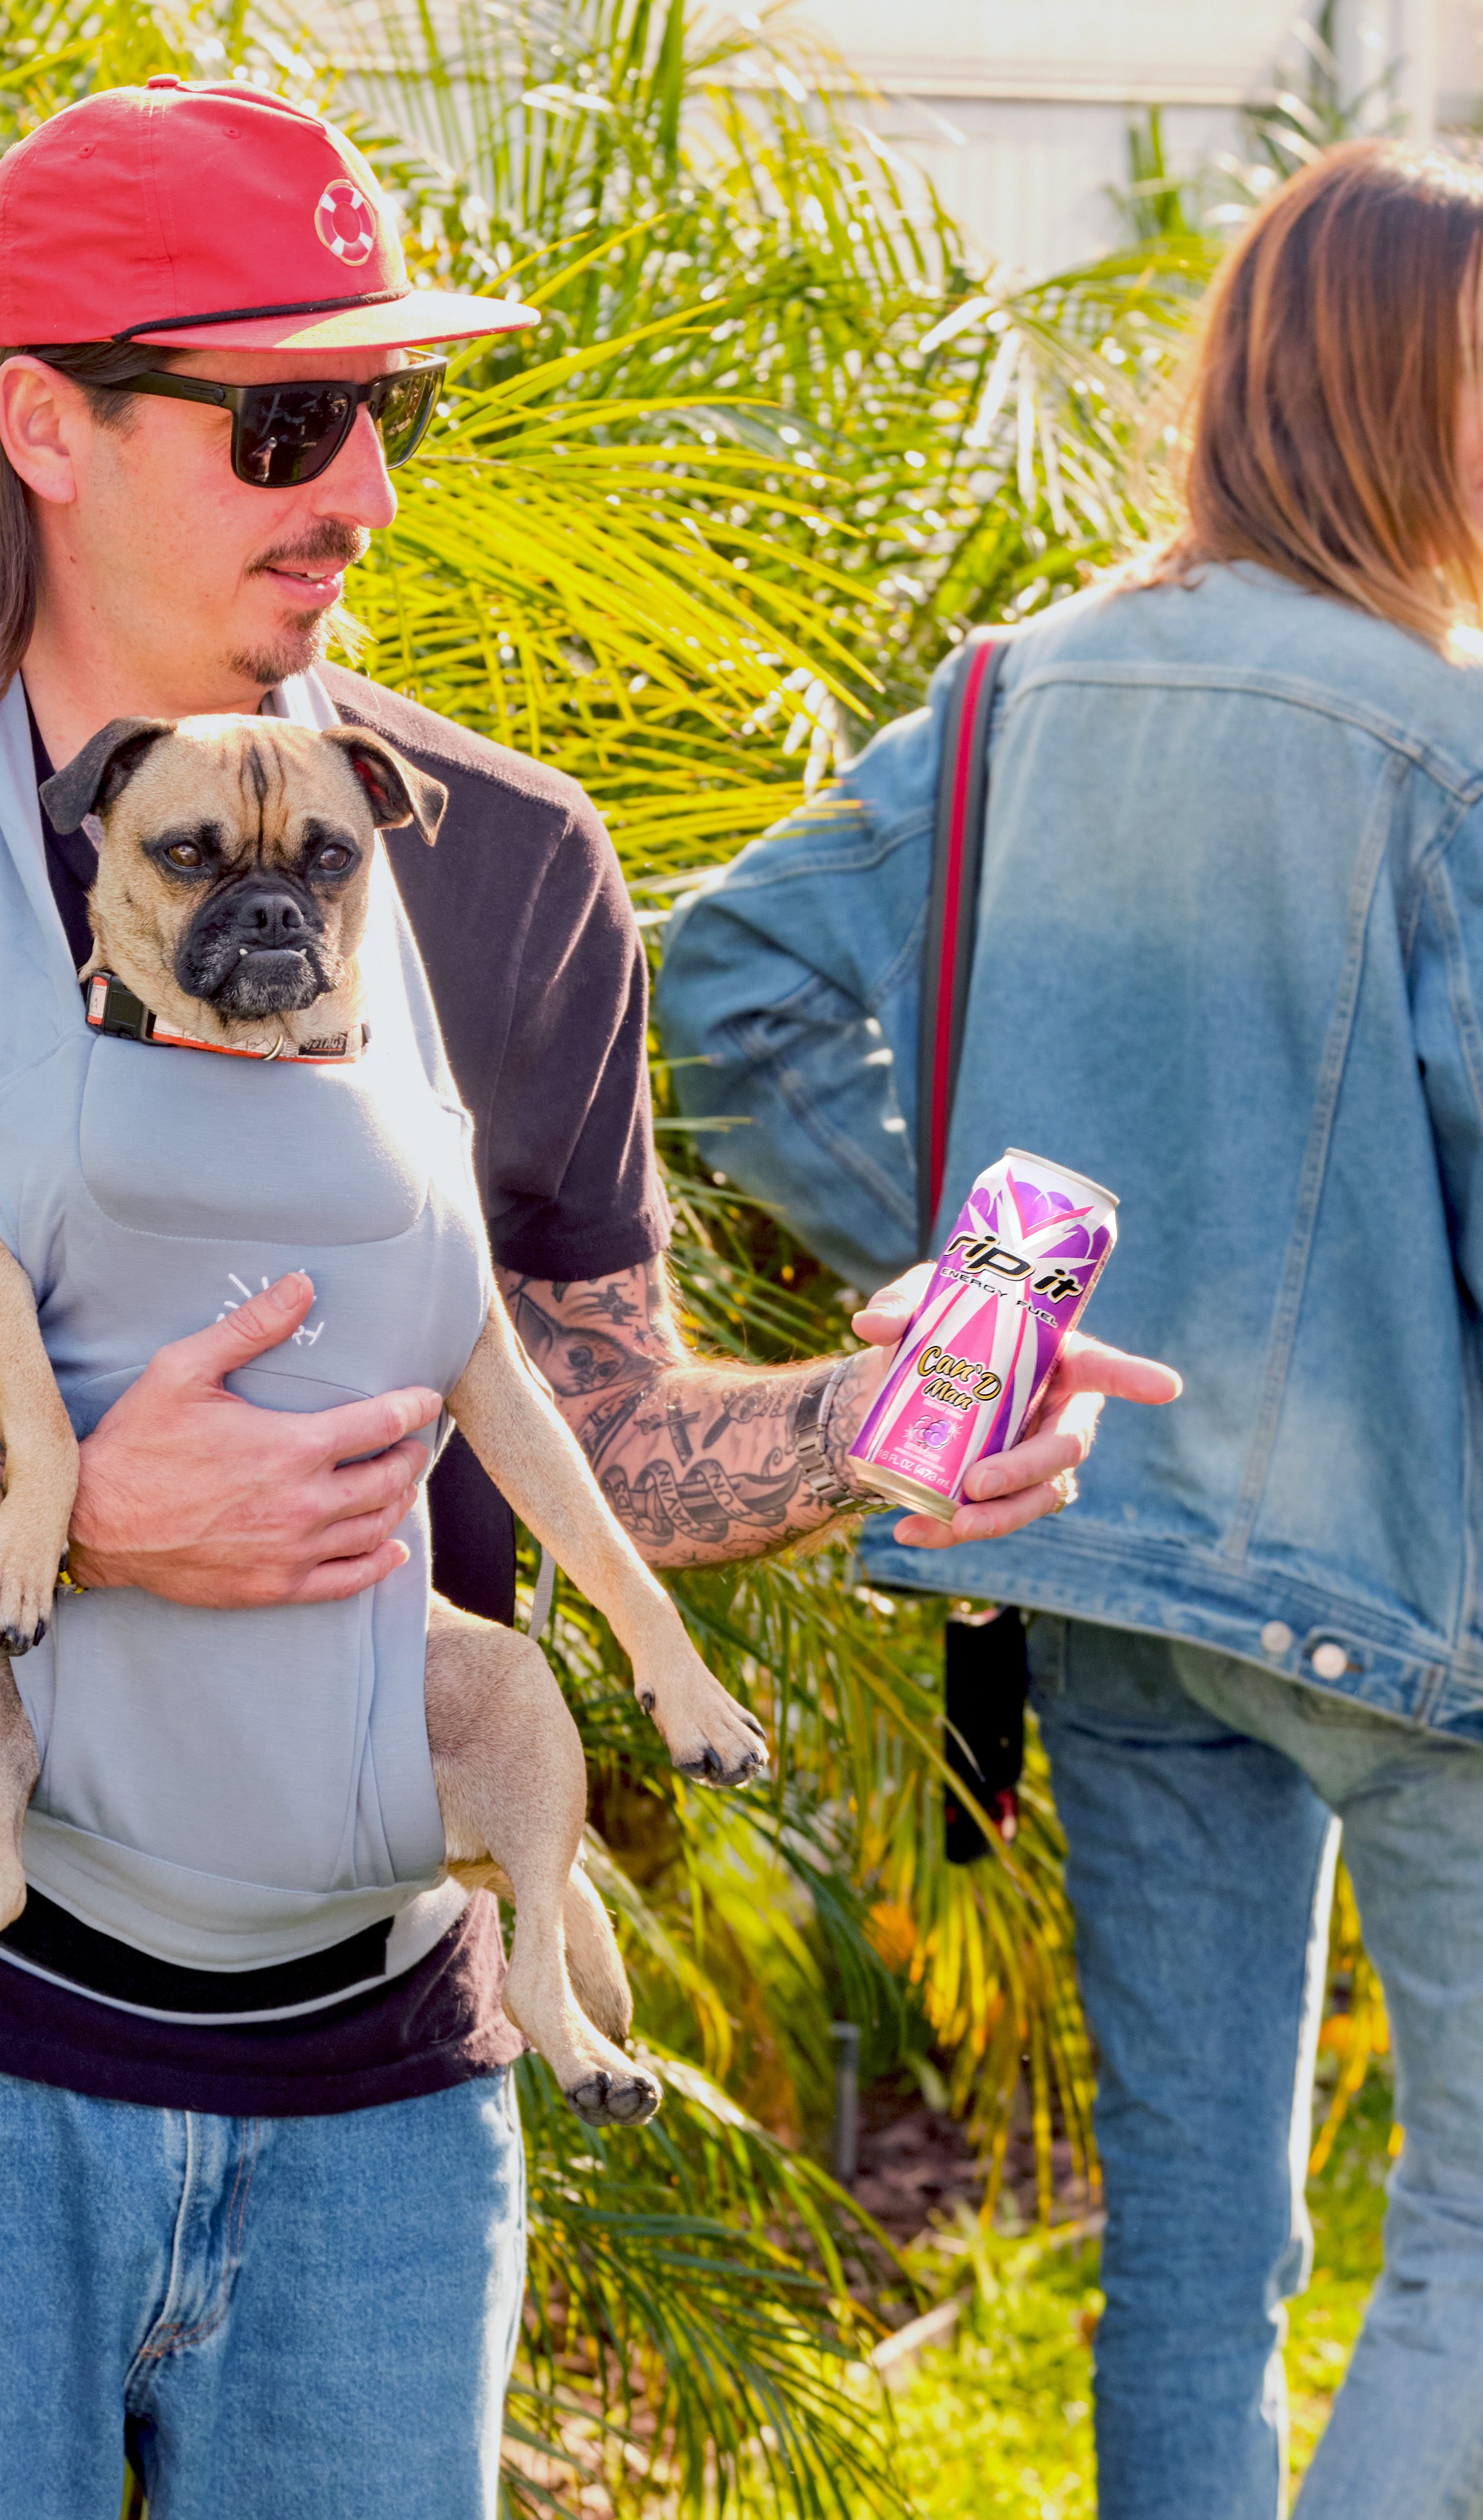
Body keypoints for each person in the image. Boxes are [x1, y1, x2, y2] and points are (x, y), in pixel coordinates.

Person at [0, 81, 1163, 2520]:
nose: (368, 492)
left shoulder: (501, 859)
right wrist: (71, 1509)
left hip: (390, 2091)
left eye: (381, 414)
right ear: (44, 427)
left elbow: (593, 1428)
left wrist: (880, 1418)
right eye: (288, 418)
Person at [658, 137, 1483, 2520]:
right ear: (1405, 401)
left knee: (1198, 2236)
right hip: (1408, 1585)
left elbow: (725, 985)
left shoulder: (1022, 688)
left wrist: (973, 1309)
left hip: (1092, 1543)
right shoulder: (1438, 741)